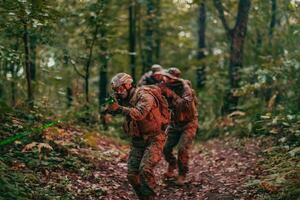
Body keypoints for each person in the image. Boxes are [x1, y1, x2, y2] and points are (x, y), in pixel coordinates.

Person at [107, 73, 169, 200]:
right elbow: (111, 109)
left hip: (155, 137)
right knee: (131, 175)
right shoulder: (120, 97)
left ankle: (152, 197)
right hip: (138, 140)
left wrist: (119, 109)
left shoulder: (144, 95)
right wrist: (110, 107)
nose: (119, 92)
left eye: (121, 88)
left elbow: (140, 114)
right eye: (116, 89)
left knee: (145, 170)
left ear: (129, 85)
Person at [151, 71, 198, 185]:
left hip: (189, 124)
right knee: (166, 148)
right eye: (166, 77)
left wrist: (171, 94)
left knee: (182, 148)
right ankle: (172, 164)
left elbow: (185, 105)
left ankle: (182, 174)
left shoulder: (186, 89)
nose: (165, 79)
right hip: (174, 124)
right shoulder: (164, 87)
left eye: (169, 77)